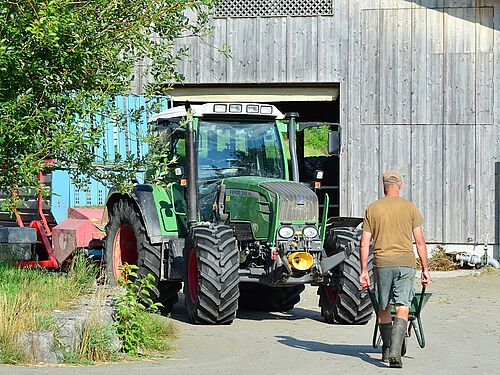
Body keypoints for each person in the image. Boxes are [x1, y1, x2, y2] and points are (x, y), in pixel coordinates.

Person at [359, 171, 431, 368]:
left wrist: (363, 270)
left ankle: (386, 351)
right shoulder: (410, 208)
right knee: (402, 306)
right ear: (400, 185)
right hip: (405, 263)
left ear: (383, 186)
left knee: (383, 307)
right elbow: (420, 242)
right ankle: (395, 354)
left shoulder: (373, 209)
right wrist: (425, 269)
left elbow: (364, 243)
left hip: (382, 264)